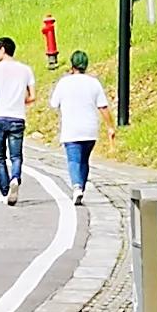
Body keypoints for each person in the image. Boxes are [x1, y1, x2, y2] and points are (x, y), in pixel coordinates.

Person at [0, 32, 35, 202]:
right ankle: (15, 178)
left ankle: (5, 193)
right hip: (18, 117)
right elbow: (32, 96)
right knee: (16, 155)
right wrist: (19, 100)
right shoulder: (26, 70)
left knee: (0, 156)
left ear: (3, 50)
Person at [49, 47, 108, 203]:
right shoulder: (94, 83)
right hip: (90, 129)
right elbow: (103, 106)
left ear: (72, 65)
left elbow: (54, 103)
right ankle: (81, 186)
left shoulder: (64, 83)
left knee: (74, 160)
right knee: (84, 160)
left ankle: (76, 187)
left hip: (71, 128)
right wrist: (110, 127)